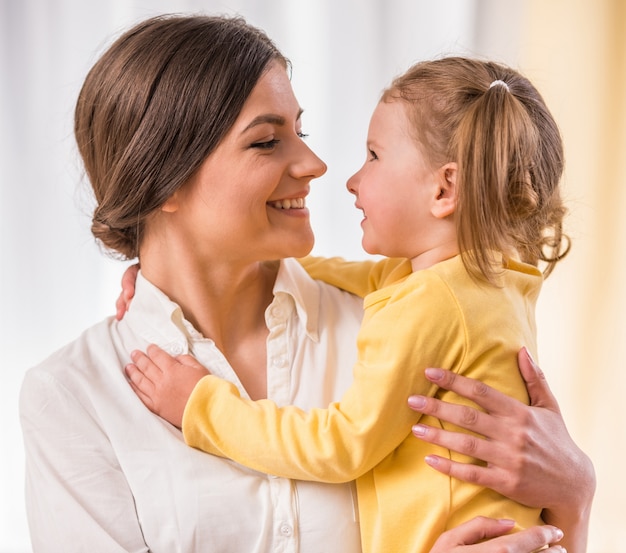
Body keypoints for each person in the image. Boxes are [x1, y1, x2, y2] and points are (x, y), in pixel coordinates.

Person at [18, 14, 591, 553]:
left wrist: (575, 497)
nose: (316, 163)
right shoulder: (73, 396)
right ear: (162, 183)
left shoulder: (399, 325)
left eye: (300, 130)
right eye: (267, 141)